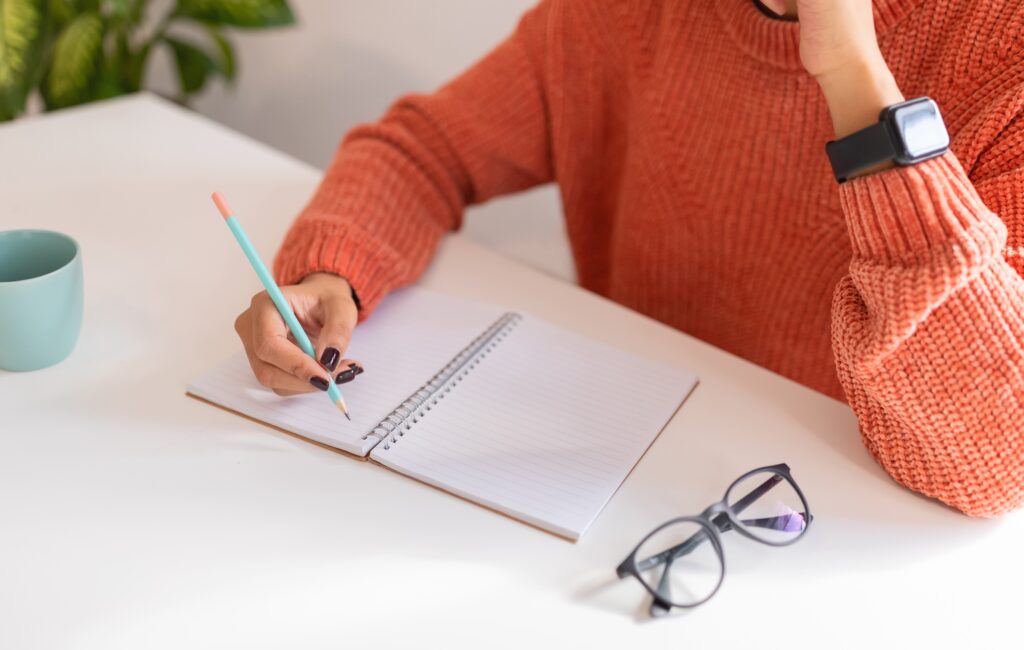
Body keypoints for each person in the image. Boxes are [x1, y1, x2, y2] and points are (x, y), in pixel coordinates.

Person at [232, 0, 1024, 517]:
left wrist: (853, 71)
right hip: (598, 487)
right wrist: (329, 270)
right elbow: (427, 147)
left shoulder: (1002, 46)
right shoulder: (623, 14)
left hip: (810, 525)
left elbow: (995, 461)